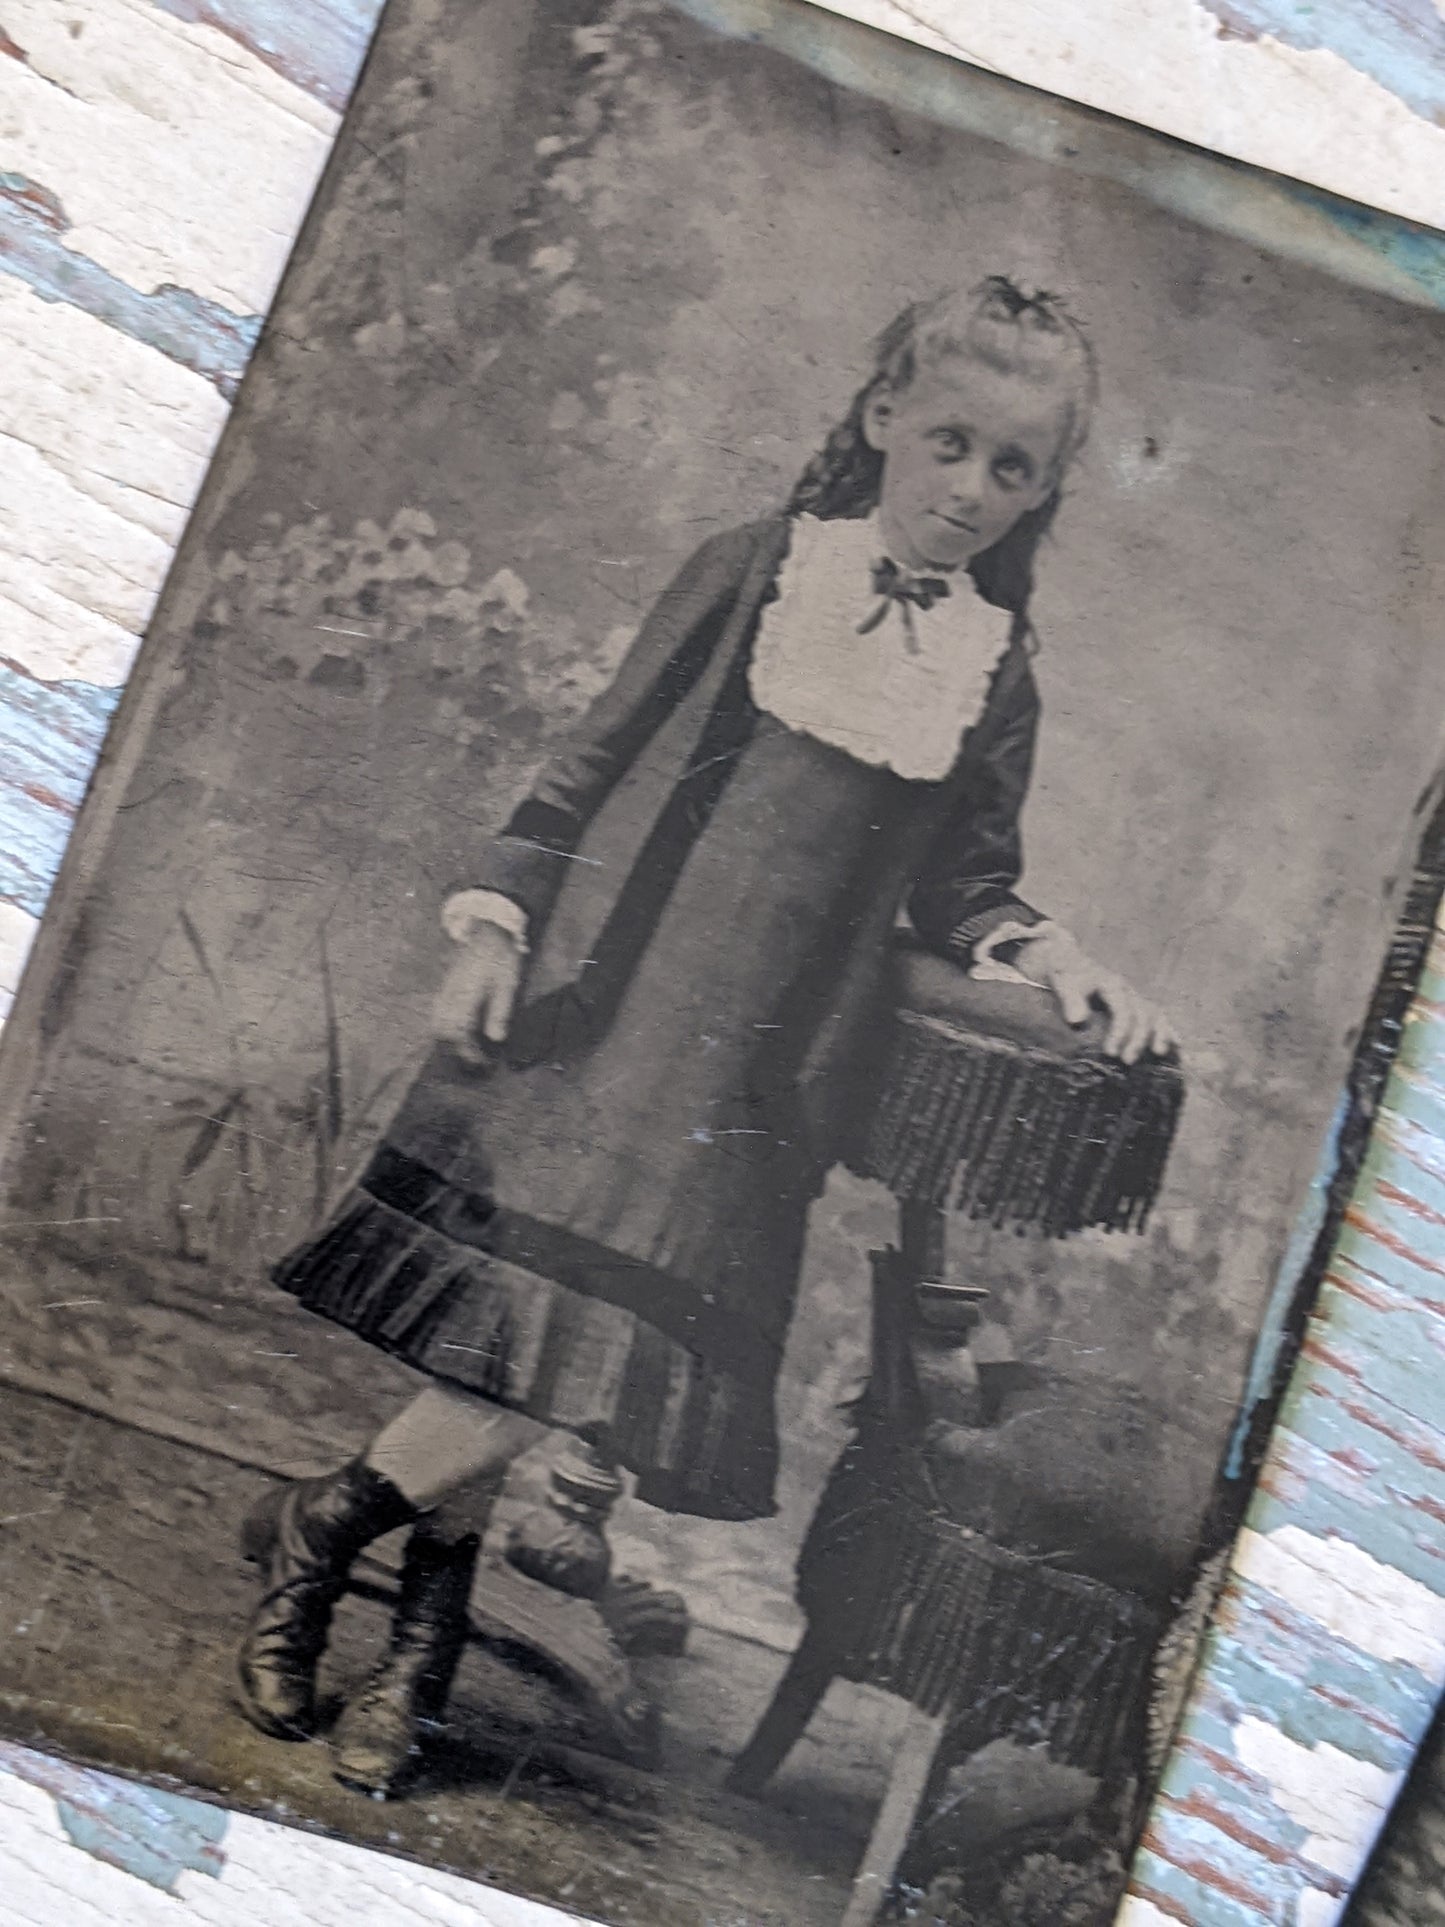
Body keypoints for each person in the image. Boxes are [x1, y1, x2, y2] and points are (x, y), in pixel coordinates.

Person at [232, 276, 1175, 1796]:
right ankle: (402, 1648)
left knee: (542, 1362)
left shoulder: (994, 675)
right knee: (512, 1350)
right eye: (947, 443)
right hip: (597, 1029)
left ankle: (325, 1528)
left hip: (744, 1098)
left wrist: (1059, 962)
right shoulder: (753, 572)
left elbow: (966, 886)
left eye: (1013, 470)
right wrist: (494, 920)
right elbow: (588, 761)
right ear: (879, 419)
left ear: (1044, 490)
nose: (968, 491)